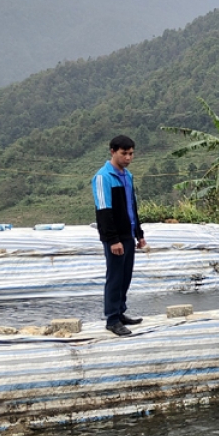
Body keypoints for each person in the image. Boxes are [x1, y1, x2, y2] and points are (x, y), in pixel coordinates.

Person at [92, 135, 147, 336]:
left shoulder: (127, 176)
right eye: (124, 153)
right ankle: (112, 319)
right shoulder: (102, 177)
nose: (128, 158)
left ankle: (121, 311)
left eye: (131, 153)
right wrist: (113, 239)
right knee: (115, 277)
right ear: (113, 152)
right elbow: (103, 211)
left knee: (126, 276)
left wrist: (138, 233)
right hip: (115, 237)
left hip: (128, 234)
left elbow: (132, 206)